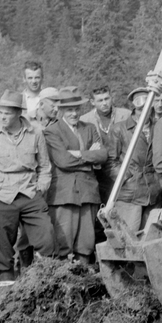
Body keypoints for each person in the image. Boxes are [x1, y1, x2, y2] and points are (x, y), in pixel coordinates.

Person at [0, 92, 56, 281]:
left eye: (7, 113)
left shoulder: (36, 133)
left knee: (47, 235)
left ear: (19, 113)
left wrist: (40, 190)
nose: (2, 117)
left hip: (28, 192)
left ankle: (44, 281)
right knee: (0, 249)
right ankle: (6, 287)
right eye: (0, 112)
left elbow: (44, 168)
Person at [43, 88, 107, 261]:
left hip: (88, 193)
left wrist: (78, 153)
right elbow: (63, 161)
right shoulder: (52, 131)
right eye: (69, 109)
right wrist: (88, 158)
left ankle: (84, 284)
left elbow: (102, 155)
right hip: (64, 195)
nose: (74, 113)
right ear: (61, 110)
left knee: (86, 245)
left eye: (76, 109)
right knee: (63, 245)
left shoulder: (90, 128)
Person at [106, 93, 162, 238]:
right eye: (139, 109)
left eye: (147, 108)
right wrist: (126, 179)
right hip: (129, 193)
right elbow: (111, 162)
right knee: (126, 237)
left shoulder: (159, 126)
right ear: (133, 108)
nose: (143, 112)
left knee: (150, 237)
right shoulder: (119, 129)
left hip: (154, 191)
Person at [81, 86, 132, 203]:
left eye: (106, 99)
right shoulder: (84, 120)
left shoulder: (126, 115)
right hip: (98, 171)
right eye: (100, 100)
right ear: (92, 102)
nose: (104, 103)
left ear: (111, 98)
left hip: (122, 168)